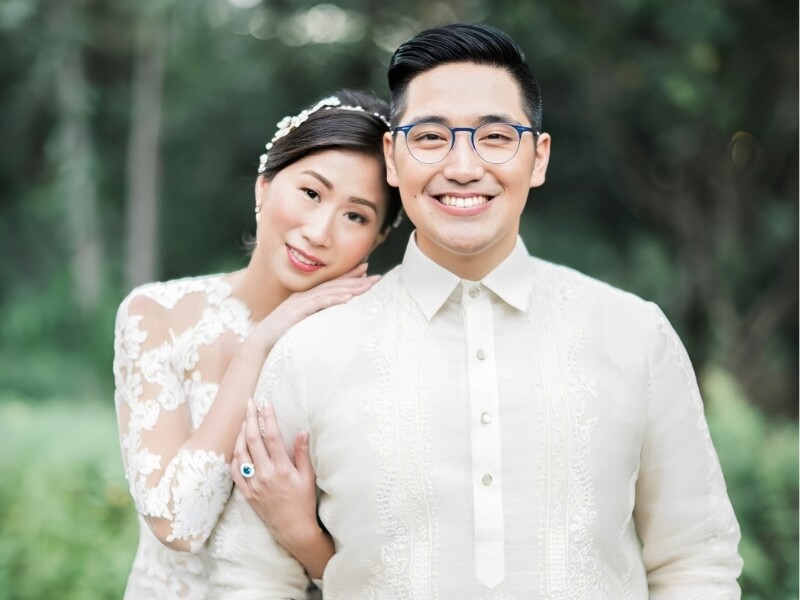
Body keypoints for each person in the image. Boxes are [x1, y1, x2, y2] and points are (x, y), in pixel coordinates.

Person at [221, 23, 744, 598]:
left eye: (496, 137)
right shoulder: (309, 352)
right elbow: (252, 576)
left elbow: (697, 561)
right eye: (430, 137)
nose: (464, 167)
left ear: (538, 158)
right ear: (392, 158)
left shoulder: (635, 335)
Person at [112, 89, 402, 599]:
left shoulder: (374, 352)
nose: (319, 232)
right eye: (311, 193)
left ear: (376, 239)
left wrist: (298, 530)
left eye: (355, 216)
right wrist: (257, 346)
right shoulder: (156, 316)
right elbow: (178, 524)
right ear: (264, 186)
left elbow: (384, 576)